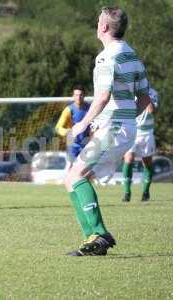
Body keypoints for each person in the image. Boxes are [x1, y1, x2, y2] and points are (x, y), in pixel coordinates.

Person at [64, 6, 151, 256]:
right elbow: (146, 97)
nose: (96, 24)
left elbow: (102, 96)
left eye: (98, 21)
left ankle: (99, 234)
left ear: (103, 27)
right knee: (73, 178)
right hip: (126, 128)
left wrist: (82, 124)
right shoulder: (132, 55)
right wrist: (126, 119)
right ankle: (91, 238)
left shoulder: (106, 57)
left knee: (76, 175)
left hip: (112, 130)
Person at [121, 88, 158, 202]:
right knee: (128, 159)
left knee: (147, 162)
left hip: (147, 133)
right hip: (132, 130)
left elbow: (152, 111)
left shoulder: (153, 92)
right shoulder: (129, 91)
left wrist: (145, 95)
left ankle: (146, 192)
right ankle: (127, 192)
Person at [55, 85, 90, 166]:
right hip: (72, 144)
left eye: (81, 95)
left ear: (84, 95)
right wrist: (68, 132)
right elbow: (58, 128)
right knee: (71, 168)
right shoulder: (68, 110)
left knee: (85, 168)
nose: (79, 97)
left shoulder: (90, 109)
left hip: (87, 143)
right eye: (76, 95)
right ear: (73, 96)